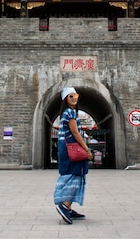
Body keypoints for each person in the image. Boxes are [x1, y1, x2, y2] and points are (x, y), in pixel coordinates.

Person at [53, 87, 93, 224]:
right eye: (70, 96)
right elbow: (75, 133)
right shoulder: (70, 113)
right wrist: (86, 149)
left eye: (75, 95)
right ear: (65, 99)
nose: (74, 98)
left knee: (69, 175)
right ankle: (65, 205)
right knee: (75, 175)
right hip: (72, 149)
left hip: (67, 148)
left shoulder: (66, 113)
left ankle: (68, 207)